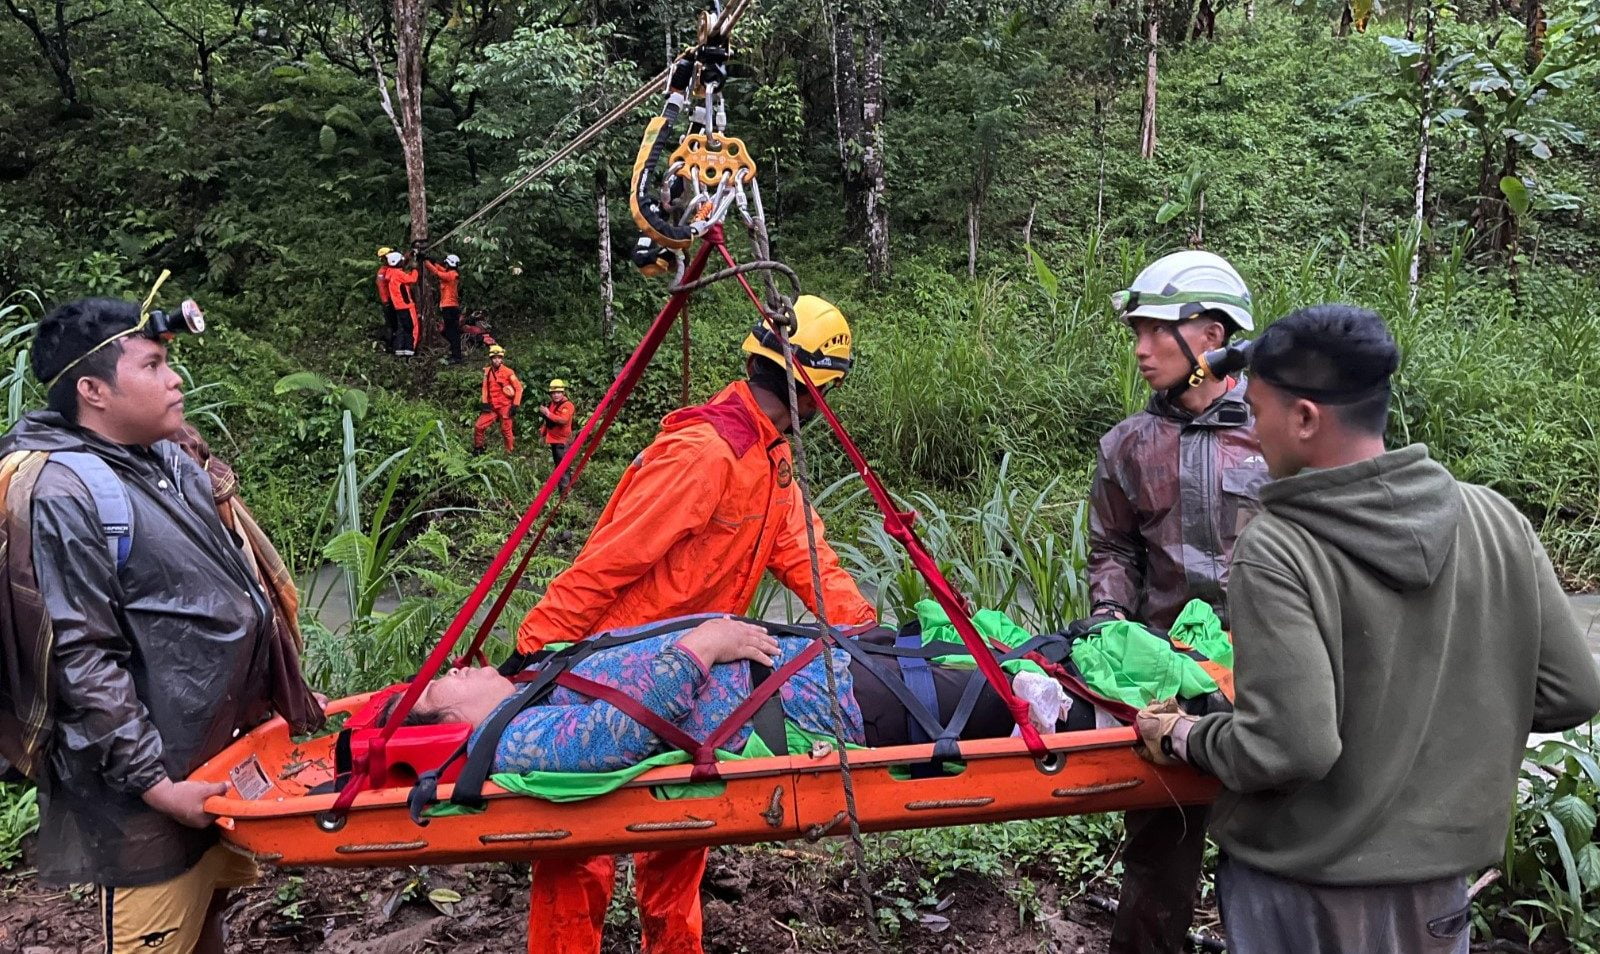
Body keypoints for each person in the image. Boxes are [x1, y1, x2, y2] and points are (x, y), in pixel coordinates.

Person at [1135, 305, 1600, 953]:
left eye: (1259, 409)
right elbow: (1573, 692)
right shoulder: (1496, 521)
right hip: (1437, 889)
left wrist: (1187, 734)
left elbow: (1289, 747)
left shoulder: (1283, 546)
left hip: (1301, 888)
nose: (1253, 428)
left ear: (1304, 418)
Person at [513, 294, 877, 954]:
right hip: (619, 672)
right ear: (817, 391)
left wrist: (865, 637)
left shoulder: (770, 459)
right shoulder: (705, 453)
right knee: (581, 844)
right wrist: (538, 651)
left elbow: (806, 556)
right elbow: (609, 560)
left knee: (681, 833)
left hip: (698, 681)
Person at [0, 297, 323, 954]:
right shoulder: (65, 493)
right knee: (159, 930)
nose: (175, 379)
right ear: (93, 391)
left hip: (222, 752)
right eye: (152, 364)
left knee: (214, 908)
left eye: (169, 362)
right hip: (148, 785)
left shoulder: (171, 458)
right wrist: (157, 785)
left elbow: (234, 593)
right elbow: (81, 656)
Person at [1088, 249, 1266, 954]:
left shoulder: (1281, 431)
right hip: (1172, 689)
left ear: (1212, 337)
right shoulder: (1129, 445)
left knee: (1274, 860)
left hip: (1272, 681)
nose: (1139, 349)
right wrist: (1109, 624)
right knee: (1159, 864)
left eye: (1156, 331)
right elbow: (1113, 550)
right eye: (1135, 331)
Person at [384, 616, 1034, 770]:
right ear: (450, 720)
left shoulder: (529, 688)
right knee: (1034, 695)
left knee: (1011, 657)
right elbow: (612, 739)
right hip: (839, 702)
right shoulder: (510, 740)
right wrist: (705, 644)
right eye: (450, 680)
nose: (464, 668)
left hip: (821, 668)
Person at [473, 344, 524, 454]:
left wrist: (515, 405)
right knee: (479, 426)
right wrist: (485, 402)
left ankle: (509, 452)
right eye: (494, 358)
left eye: (499, 358)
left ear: (502, 359)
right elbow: (485, 388)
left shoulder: (508, 372)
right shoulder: (488, 372)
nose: (497, 360)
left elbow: (519, 389)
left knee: (506, 431)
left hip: (505, 406)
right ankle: (478, 448)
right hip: (491, 406)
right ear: (491, 359)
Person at [538, 379, 576, 492]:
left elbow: (563, 420)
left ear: (563, 393)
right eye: (554, 393)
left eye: (558, 392)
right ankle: (562, 488)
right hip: (554, 440)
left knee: (562, 466)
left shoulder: (567, 405)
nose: (556, 395)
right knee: (558, 465)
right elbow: (549, 421)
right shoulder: (552, 405)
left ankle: (564, 492)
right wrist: (543, 433)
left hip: (562, 441)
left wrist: (548, 413)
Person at [426, 253, 465, 364]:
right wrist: (434, 263)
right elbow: (441, 269)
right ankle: (455, 355)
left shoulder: (451, 275)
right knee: (450, 331)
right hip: (449, 307)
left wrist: (427, 263)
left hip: (450, 308)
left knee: (452, 332)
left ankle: (456, 357)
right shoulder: (451, 273)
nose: (445, 265)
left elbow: (437, 273)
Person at [385, 250, 420, 357]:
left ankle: (400, 350)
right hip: (406, 306)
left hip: (398, 306)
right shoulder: (398, 274)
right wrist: (415, 268)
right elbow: (412, 279)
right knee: (412, 328)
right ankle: (410, 351)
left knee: (402, 329)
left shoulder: (390, 272)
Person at [375, 246, 399, 352]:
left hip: (387, 301)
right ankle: (390, 347)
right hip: (389, 301)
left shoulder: (383, 270)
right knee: (392, 324)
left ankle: (390, 346)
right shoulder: (385, 271)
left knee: (391, 323)